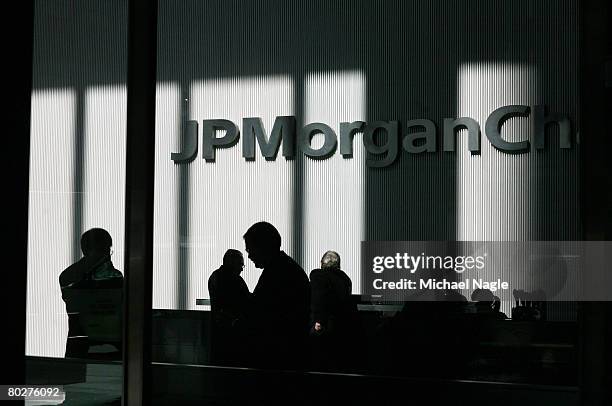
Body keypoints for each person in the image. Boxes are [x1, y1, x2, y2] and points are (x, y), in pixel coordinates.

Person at [242, 221, 310, 369]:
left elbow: (265, 316)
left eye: (249, 249)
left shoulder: (277, 273)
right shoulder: (286, 269)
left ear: (262, 247)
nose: (249, 255)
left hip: (277, 358)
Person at [59, 228, 123, 359]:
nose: (108, 256)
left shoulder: (69, 277)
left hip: (81, 348)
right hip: (102, 349)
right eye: (104, 250)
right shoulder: (73, 278)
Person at [309, 251, 360, 372]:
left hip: (324, 328)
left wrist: (318, 323)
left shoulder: (319, 276)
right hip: (342, 329)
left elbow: (319, 299)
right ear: (339, 265)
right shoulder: (345, 280)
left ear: (321, 264)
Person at [208, 249, 251, 365]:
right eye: (240, 264)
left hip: (220, 333)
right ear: (231, 262)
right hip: (232, 334)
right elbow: (245, 301)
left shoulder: (216, 276)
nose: (242, 268)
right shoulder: (234, 280)